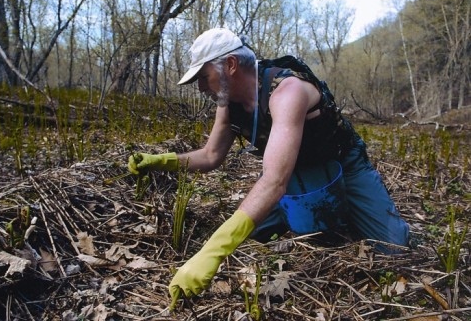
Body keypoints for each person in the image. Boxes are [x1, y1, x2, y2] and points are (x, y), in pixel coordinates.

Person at [127, 28, 410, 309]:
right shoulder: (229, 104)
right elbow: (211, 155)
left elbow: (274, 182)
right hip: (292, 170)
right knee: (249, 239)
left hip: (341, 162)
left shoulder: (287, 91)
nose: (201, 88)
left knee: (394, 250)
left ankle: (350, 208)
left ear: (230, 65)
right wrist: (160, 161)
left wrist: (213, 252)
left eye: (203, 77)